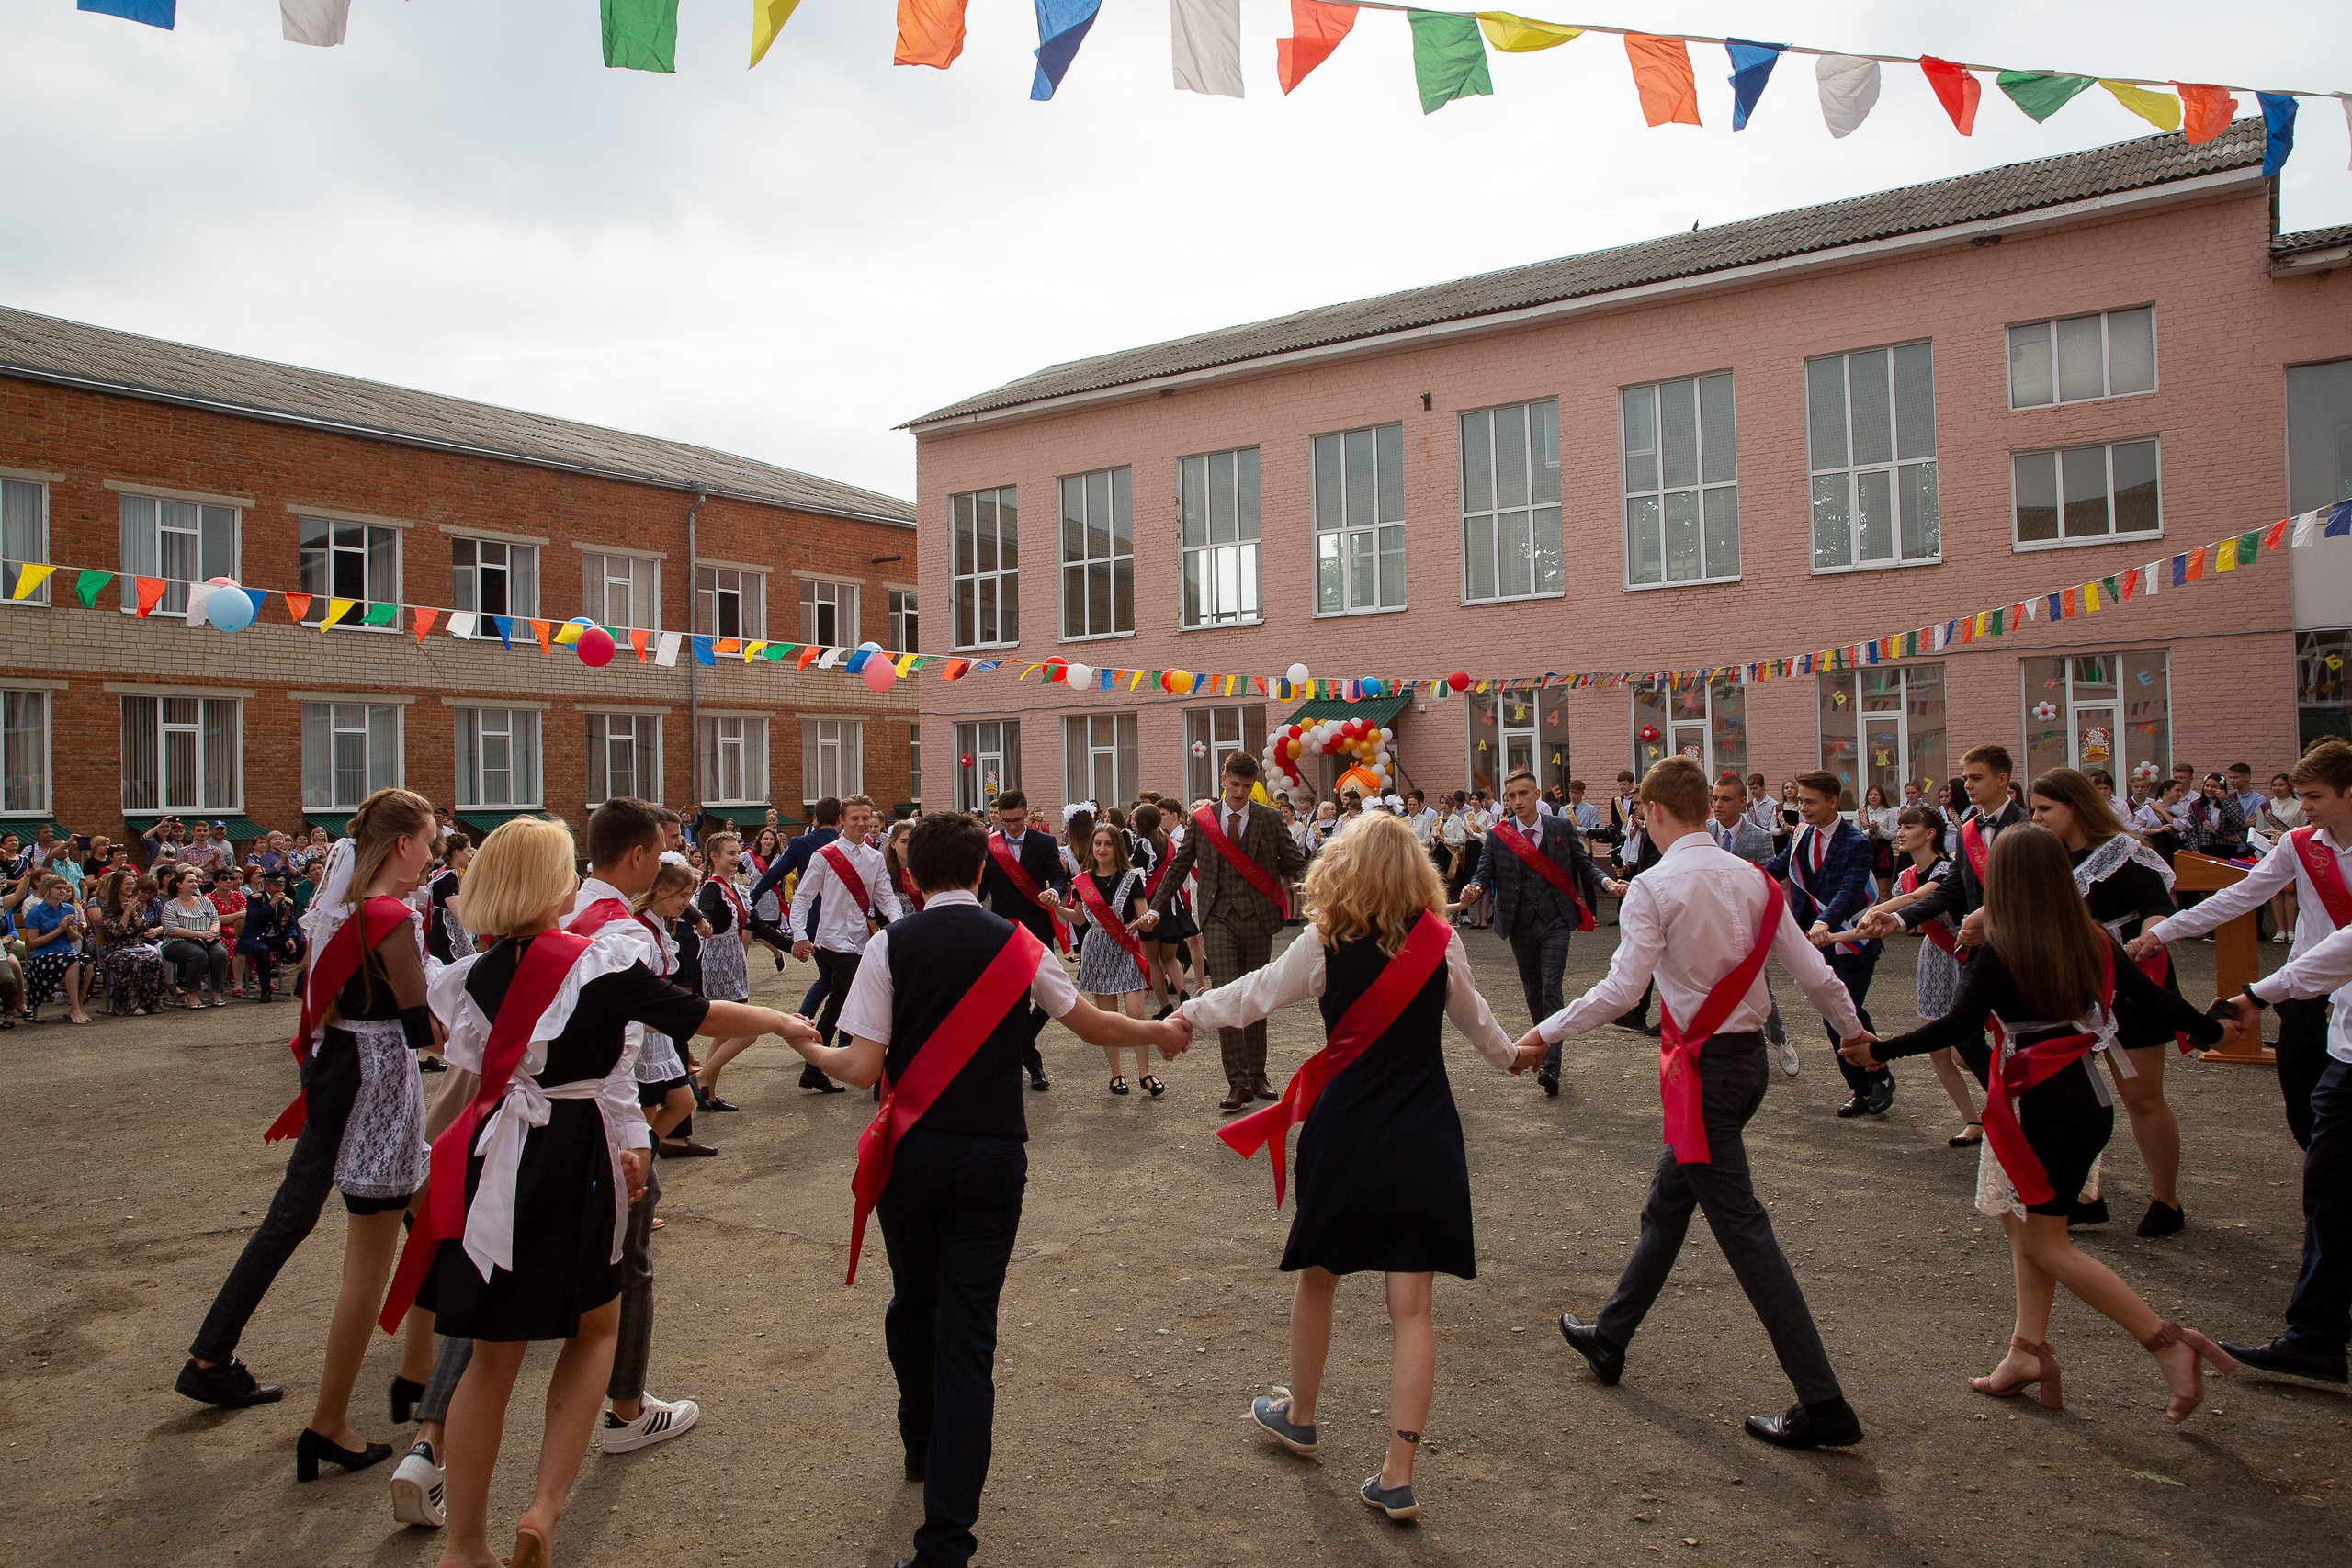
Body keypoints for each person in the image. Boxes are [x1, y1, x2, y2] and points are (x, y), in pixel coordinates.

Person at [387, 815, 808, 1567]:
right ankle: (544, 1508)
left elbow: (463, 1067)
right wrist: (781, 1020)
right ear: (551, 883)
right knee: (594, 1330)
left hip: (496, 1159)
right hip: (575, 1147)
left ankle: (464, 1543)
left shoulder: (473, 975)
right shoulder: (599, 963)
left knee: (491, 1357)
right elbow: (696, 1015)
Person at [777, 811, 1176, 1568]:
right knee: (968, 1337)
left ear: (912, 878)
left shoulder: (888, 944)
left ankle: (919, 1434)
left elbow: (861, 1068)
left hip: (912, 1156)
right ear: (984, 872)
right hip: (993, 1157)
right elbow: (1091, 1026)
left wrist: (809, 1045)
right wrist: (1158, 1032)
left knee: (912, 1302)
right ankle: (946, 1540)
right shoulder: (1020, 944)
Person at [1179, 811, 1537, 1522]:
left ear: (1342, 867)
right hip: (1425, 1130)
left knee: (1319, 1275)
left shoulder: (1324, 941)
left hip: (1347, 1130)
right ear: (1416, 873)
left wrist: (1186, 1013)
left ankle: (1301, 1414)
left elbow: (1254, 992)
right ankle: (1398, 1473)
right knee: (1413, 1309)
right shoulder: (1440, 943)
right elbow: (1480, 1023)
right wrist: (1514, 1056)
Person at [1527, 757, 1870, 1450]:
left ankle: (1824, 1400)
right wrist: (1858, 1034)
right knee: (1669, 1200)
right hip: (1743, 1071)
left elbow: (1624, 992)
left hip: (1704, 1079)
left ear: (1652, 812)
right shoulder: (1756, 880)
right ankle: (1611, 1336)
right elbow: (1814, 973)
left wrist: (1545, 1030)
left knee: (1746, 1234)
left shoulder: (1654, 886)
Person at [1841, 825, 2233, 1423]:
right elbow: (2152, 1001)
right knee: (2027, 1230)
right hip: (2083, 1096)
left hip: (2034, 1104)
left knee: (2047, 1244)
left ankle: (2168, 1342)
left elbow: (1956, 1024)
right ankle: (2025, 1351)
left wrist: (1879, 1051)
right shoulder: (2092, 936)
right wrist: (2213, 1030)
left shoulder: (2004, 945)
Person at [175, 790, 439, 1484]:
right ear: (402, 845)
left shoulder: (344, 912)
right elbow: (422, 1027)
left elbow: (321, 998)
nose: (435, 855)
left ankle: (418, 1369)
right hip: (376, 1077)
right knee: (369, 1237)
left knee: (417, 1209)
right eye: (430, 841)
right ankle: (349, 1405)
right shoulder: (389, 916)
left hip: (339, 1068)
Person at [2132, 740, 2352, 1150]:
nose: (2305, 806)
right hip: (2303, 988)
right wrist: (2163, 932)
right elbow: (2241, 895)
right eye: (2302, 796)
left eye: (2315, 796)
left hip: (2342, 990)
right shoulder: (2299, 844)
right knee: (2305, 1111)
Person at [2029, 768, 2189, 1235]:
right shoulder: (2047, 855)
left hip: (2131, 978)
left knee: (2140, 1095)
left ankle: (2167, 1199)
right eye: (2034, 809)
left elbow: (2160, 908)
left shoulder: (2124, 852)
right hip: (2072, 982)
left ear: (2075, 807)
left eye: (2045, 809)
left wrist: (2148, 939)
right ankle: (2084, 1195)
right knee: (2079, 1098)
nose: (2036, 818)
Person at [1148, 753, 1307, 1111]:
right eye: (1234, 784)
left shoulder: (1268, 818)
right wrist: (1156, 907)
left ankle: (1257, 1073)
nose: (1239, 792)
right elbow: (1179, 865)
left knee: (1256, 996)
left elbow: (1295, 863)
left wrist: (1321, 887)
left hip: (1258, 918)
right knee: (1226, 993)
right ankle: (1237, 1082)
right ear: (1224, 778)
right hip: (1217, 916)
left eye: (1246, 787)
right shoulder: (1203, 820)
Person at [1457, 766, 1609, 1099]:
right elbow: (1484, 871)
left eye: (1523, 794)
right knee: (1533, 989)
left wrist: (1605, 881)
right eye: (1511, 796)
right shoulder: (1498, 834)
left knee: (1552, 985)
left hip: (1556, 918)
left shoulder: (1559, 827)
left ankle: (1552, 1062)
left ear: (1537, 795)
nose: (1517, 801)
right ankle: (1545, 1043)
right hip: (1519, 922)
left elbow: (1583, 864)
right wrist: (1474, 888)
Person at [1766, 771, 1884, 1117]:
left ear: (1834, 802)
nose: (1802, 808)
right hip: (1816, 941)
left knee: (1845, 1010)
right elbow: (1778, 867)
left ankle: (1879, 1079)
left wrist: (1824, 921)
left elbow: (1850, 891)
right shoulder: (1801, 833)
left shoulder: (1857, 843)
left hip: (1850, 938)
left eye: (1810, 801)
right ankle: (1861, 1088)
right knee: (1835, 1014)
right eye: (1800, 800)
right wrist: (1741, 878)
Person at [1876, 806, 1983, 1146]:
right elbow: (1902, 901)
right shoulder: (1905, 875)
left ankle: (2012, 1099)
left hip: (1964, 956)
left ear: (1931, 832)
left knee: (1964, 1052)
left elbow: (1917, 899)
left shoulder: (1946, 869)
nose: (1901, 833)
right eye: (1900, 827)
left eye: (1909, 827)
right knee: (1939, 1051)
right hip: (1934, 958)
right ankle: (1973, 1121)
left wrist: (1871, 911)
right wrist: (1834, 935)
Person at [1860, 744, 2025, 957]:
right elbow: (1949, 890)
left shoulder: (2026, 827)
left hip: (2018, 944)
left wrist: (1990, 924)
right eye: (1965, 779)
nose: (1967, 785)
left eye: (1976, 778)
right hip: (1977, 948)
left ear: (2002, 779)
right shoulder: (1968, 830)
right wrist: (1898, 919)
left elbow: (2025, 893)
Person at [791, 795, 907, 1082]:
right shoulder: (825, 855)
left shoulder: (875, 857)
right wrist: (798, 934)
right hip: (832, 941)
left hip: (859, 941)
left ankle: (812, 1070)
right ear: (842, 820)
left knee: (837, 1002)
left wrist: (899, 924)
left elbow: (886, 897)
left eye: (866, 818)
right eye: (854, 818)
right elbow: (802, 898)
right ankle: (880, 1073)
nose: (861, 823)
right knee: (875, 998)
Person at [1053, 824, 1164, 1096]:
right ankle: (1117, 1074)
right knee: (1109, 1018)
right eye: (1098, 844)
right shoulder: (1083, 882)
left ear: (1117, 847)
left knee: (1137, 1013)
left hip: (1126, 945)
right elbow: (1079, 918)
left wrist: (1146, 923)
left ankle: (1145, 1073)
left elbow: (1144, 917)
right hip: (1098, 948)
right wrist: (1056, 907)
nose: (1102, 849)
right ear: (1092, 848)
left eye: (1108, 844)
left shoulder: (1132, 877)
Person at [978, 789, 1068, 1092]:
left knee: (1051, 997)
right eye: (1006, 822)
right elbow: (979, 890)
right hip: (1003, 931)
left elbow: (1058, 877)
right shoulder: (990, 846)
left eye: (1017, 821)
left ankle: (1016, 1044)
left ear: (1027, 815)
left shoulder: (1044, 842)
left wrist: (1055, 891)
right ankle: (1034, 1065)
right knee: (1015, 1001)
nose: (1012, 827)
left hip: (1038, 929)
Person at [1706, 772, 1794, 1075]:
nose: (1718, 805)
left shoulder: (1758, 836)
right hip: (1709, 923)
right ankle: (1718, 1052)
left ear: (1743, 802)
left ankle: (1779, 1038)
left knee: (1760, 986)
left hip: (1745, 924)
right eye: (1715, 798)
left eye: (1725, 799)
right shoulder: (1703, 833)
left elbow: (1767, 881)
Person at [688, 832, 763, 1109]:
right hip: (718, 961)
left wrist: (790, 944)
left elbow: (756, 924)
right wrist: (703, 923)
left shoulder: (735, 888)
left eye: (737, 853)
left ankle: (707, 1090)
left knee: (723, 1032)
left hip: (734, 958)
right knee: (747, 1030)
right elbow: (705, 912)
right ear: (714, 857)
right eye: (730, 854)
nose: (736, 858)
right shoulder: (712, 887)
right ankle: (700, 1078)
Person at [91, 868, 171, 1015]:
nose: (131, 886)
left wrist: (134, 913)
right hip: (116, 948)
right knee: (132, 962)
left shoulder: (136, 904)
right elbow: (116, 932)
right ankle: (129, 1005)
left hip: (136, 945)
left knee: (154, 960)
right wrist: (126, 913)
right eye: (127, 883)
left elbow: (144, 928)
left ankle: (151, 1002)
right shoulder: (108, 907)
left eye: (132, 883)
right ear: (118, 885)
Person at [18, 873, 90, 1023]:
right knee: (73, 961)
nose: (63, 891)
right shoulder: (35, 913)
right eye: (58, 888)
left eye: (65, 888)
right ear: (48, 889)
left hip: (66, 951)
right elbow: (33, 942)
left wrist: (69, 928)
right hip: (44, 955)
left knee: (88, 962)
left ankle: (77, 1005)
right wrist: (59, 929)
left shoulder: (69, 909)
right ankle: (75, 1010)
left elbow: (75, 938)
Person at [159, 864, 232, 1008]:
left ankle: (216, 991)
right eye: (190, 881)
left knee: (220, 953)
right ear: (179, 885)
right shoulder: (171, 905)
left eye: (195, 881)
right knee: (197, 954)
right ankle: (192, 994)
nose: (195, 884)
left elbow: (214, 920)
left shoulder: (205, 901)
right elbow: (173, 930)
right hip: (177, 942)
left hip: (205, 938)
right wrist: (200, 934)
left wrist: (212, 932)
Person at [237, 869, 303, 1002]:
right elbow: (255, 919)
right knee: (262, 950)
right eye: (276, 886)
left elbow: (290, 924)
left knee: (302, 944)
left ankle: (301, 986)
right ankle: (266, 989)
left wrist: (291, 938)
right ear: (267, 886)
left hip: (278, 937)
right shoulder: (255, 899)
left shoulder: (287, 902)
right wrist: (272, 904)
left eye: (282, 886)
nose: (280, 889)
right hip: (257, 937)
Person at [1859, 784, 1899, 897]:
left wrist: (1878, 829)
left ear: (1882, 796)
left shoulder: (1889, 812)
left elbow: (1892, 836)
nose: (1873, 797)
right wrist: (1870, 831)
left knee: (1884, 890)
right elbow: (1857, 836)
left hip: (1883, 853)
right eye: (1870, 794)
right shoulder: (1860, 813)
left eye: (1876, 794)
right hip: (1866, 852)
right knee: (1867, 891)